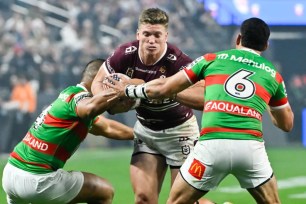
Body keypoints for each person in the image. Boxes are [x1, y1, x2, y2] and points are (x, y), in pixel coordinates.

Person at [104, 17, 294, 204]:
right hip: (250, 148)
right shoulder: (273, 75)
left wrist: (129, 90)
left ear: (238, 39)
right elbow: (286, 124)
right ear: (266, 45)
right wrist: (268, 103)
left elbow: (165, 88)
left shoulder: (211, 59)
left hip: (212, 145)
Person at [91, 7, 210, 204]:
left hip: (179, 133)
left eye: (157, 35)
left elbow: (204, 97)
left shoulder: (178, 61)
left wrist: (163, 88)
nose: (151, 40)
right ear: (138, 34)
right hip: (146, 132)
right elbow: (97, 82)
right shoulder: (124, 54)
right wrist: (106, 100)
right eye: (146, 34)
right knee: (143, 199)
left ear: (166, 36)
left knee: (182, 202)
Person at [2, 58, 135, 204]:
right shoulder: (79, 98)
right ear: (101, 79)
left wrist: (142, 135)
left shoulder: (70, 96)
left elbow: (106, 127)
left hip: (11, 173)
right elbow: (89, 109)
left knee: (69, 194)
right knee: (104, 191)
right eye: (113, 81)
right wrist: (118, 91)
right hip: (36, 180)